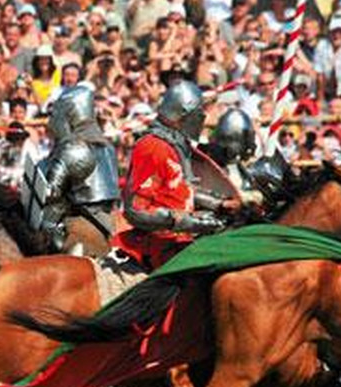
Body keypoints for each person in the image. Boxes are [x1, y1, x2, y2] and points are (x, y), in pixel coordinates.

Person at [115, 80, 234, 269]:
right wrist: (193, 222)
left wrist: (220, 204)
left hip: (179, 242)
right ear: (182, 115)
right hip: (156, 247)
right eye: (198, 111)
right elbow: (136, 210)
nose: (203, 116)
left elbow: (179, 190)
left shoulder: (176, 145)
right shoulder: (153, 146)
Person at [31, 85, 119, 255]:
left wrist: (40, 169)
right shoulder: (106, 146)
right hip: (108, 220)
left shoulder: (74, 149)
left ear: (69, 114)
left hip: (78, 222)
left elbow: (49, 194)